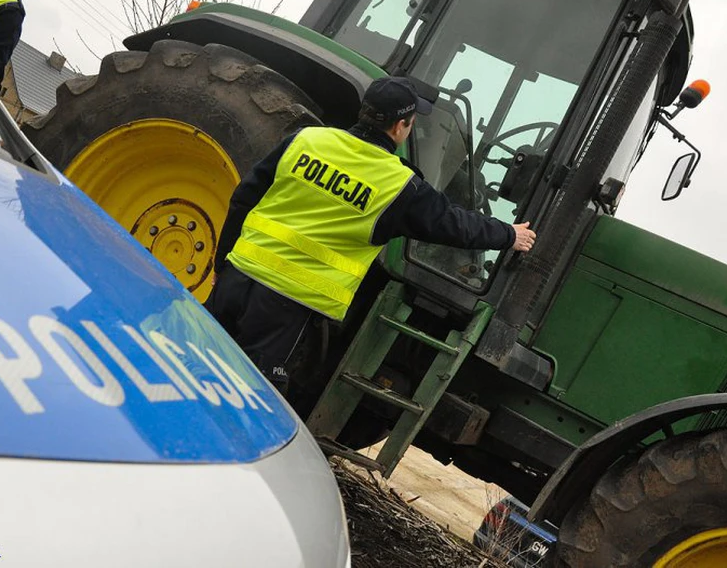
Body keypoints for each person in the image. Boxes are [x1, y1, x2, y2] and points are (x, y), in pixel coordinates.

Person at [205, 76, 536, 394]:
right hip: (285, 307)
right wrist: (509, 234)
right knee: (244, 398)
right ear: (399, 127)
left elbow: (243, 199)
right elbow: (454, 224)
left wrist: (222, 265)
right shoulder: (399, 186)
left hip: (236, 278)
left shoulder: (306, 140)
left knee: (188, 365)